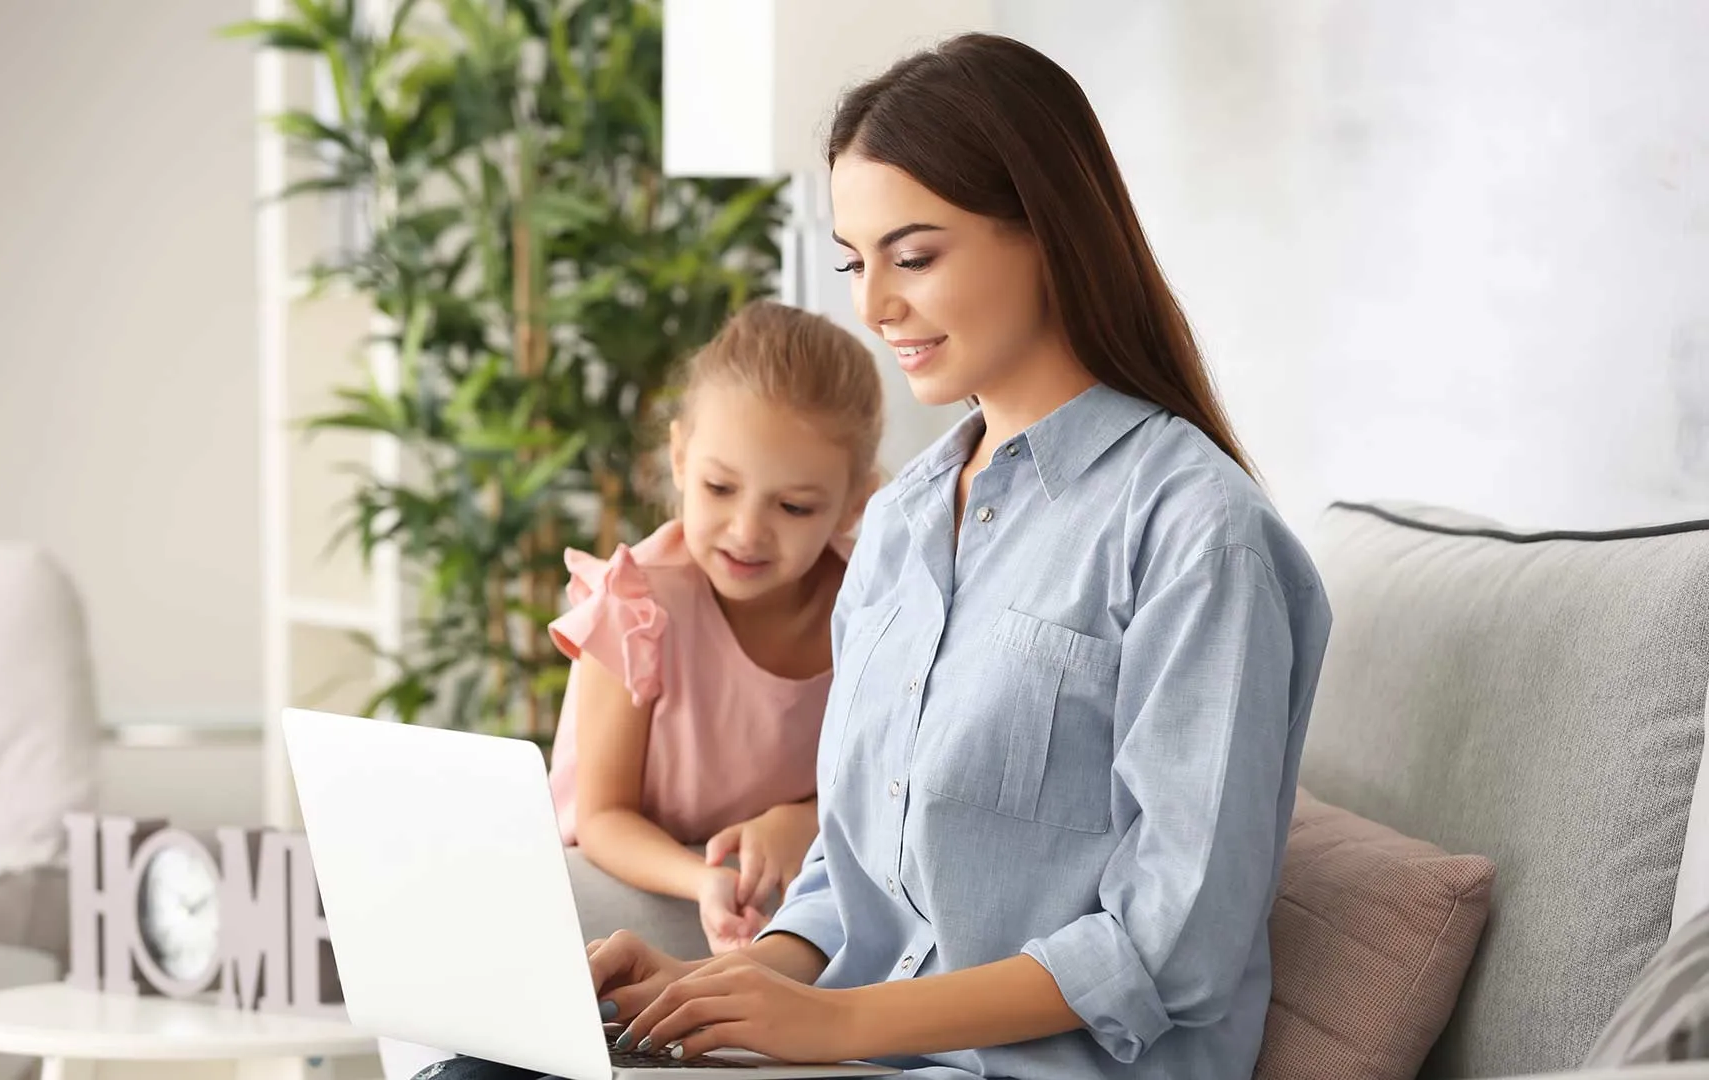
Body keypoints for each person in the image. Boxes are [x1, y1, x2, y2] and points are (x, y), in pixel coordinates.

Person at [428, 31, 1333, 1080]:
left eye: (914, 256)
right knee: (487, 1062)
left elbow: (1175, 946)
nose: (872, 306)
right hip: (852, 1057)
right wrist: (740, 985)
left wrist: (835, 1027)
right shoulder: (902, 523)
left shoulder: (1197, 534)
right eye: (857, 263)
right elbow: (856, 870)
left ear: (1046, 230)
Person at [547, 300, 885, 956]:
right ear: (679, 459)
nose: (747, 531)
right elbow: (603, 819)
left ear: (855, 504)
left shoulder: (876, 611)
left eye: (792, 506)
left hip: (780, 899)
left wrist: (804, 822)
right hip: (629, 881)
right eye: (719, 488)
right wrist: (702, 880)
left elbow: (890, 790)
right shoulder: (635, 604)